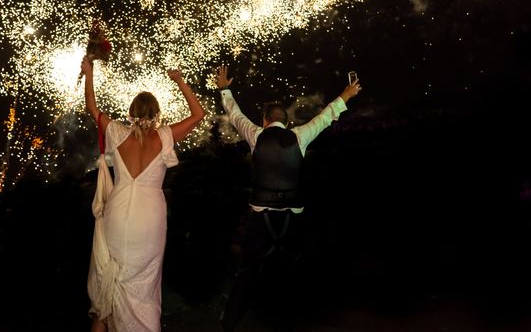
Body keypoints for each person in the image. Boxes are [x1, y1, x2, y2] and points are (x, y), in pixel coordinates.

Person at [215, 64, 361, 331]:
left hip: (261, 215)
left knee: (248, 268)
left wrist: (225, 88)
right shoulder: (299, 135)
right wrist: (347, 94)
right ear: (286, 121)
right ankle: (293, 319)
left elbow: (234, 114)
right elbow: (326, 116)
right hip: (292, 215)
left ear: (264, 120)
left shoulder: (256, 135)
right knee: (293, 268)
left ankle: (230, 320)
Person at [81, 56, 205, 332]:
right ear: (157, 113)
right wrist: (179, 80)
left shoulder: (116, 132)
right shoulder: (164, 136)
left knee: (109, 279)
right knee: (143, 284)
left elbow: (92, 107)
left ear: (131, 112)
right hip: (149, 216)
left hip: (118, 211)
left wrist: (90, 72)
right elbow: (199, 115)